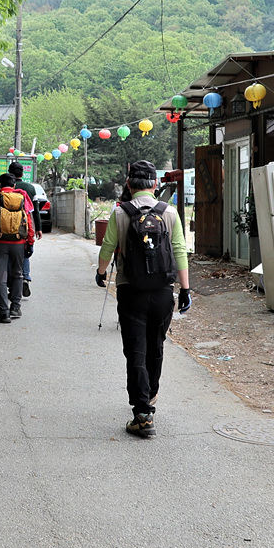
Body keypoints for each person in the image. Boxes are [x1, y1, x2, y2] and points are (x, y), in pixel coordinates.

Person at [95, 160, 190, 439]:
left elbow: (107, 248)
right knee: (156, 344)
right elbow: (180, 251)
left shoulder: (120, 213)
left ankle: (143, 414)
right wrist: (185, 289)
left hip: (131, 290)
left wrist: (101, 273)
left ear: (129, 184)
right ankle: (151, 393)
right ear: (155, 184)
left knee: (135, 349)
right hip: (162, 292)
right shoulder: (169, 212)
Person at [0, 172, 35, 322]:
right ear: (14, 185)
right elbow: (28, 221)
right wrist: (30, 241)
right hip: (18, 243)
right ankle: (15, 307)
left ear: (0, 185)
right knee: (18, 274)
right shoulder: (21, 197)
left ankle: (4, 312)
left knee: (1, 276)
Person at [8, 162, 43, 298]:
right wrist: (38, 228)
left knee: (9, 255)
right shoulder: (30, 188)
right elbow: (36, 210)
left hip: (7, 227)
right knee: (24, 252)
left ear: (10, 173)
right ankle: (25, 277)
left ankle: (11, 283)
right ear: (22, 173)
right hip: (25, 226)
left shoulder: (5, 186)